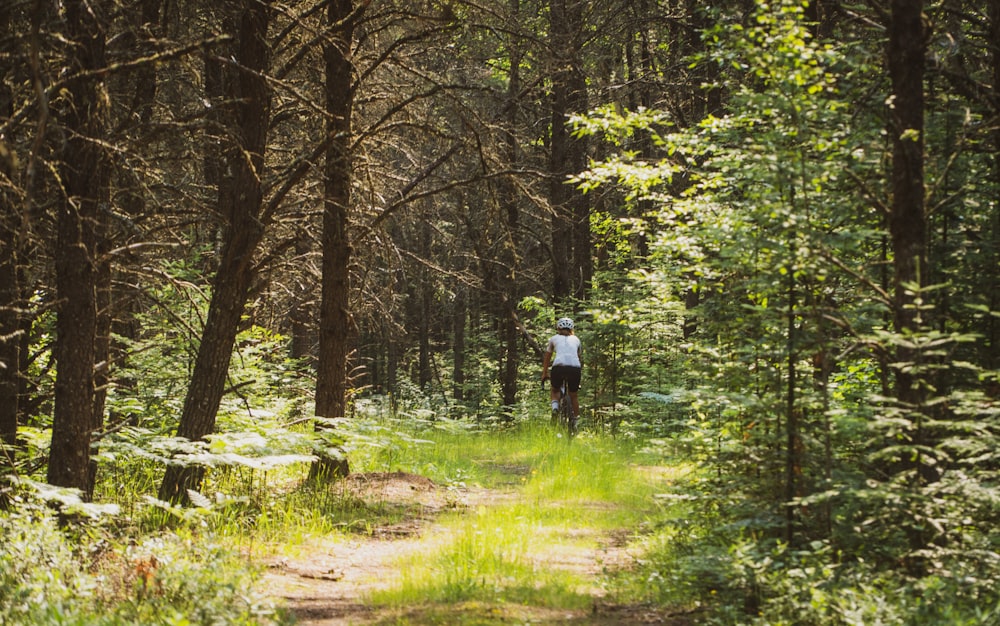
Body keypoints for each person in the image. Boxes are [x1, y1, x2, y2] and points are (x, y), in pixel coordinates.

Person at [541, 316, 583, 425]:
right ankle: (576, 422)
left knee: (555, 390)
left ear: (558, 328)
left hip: (558, 367)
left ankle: (555, 408)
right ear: (571, 329)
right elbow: (579, 357)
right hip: (575, 368)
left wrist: (544, 373)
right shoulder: (577, 340)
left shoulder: (554, 339)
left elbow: (547, 357)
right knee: (573, 395)